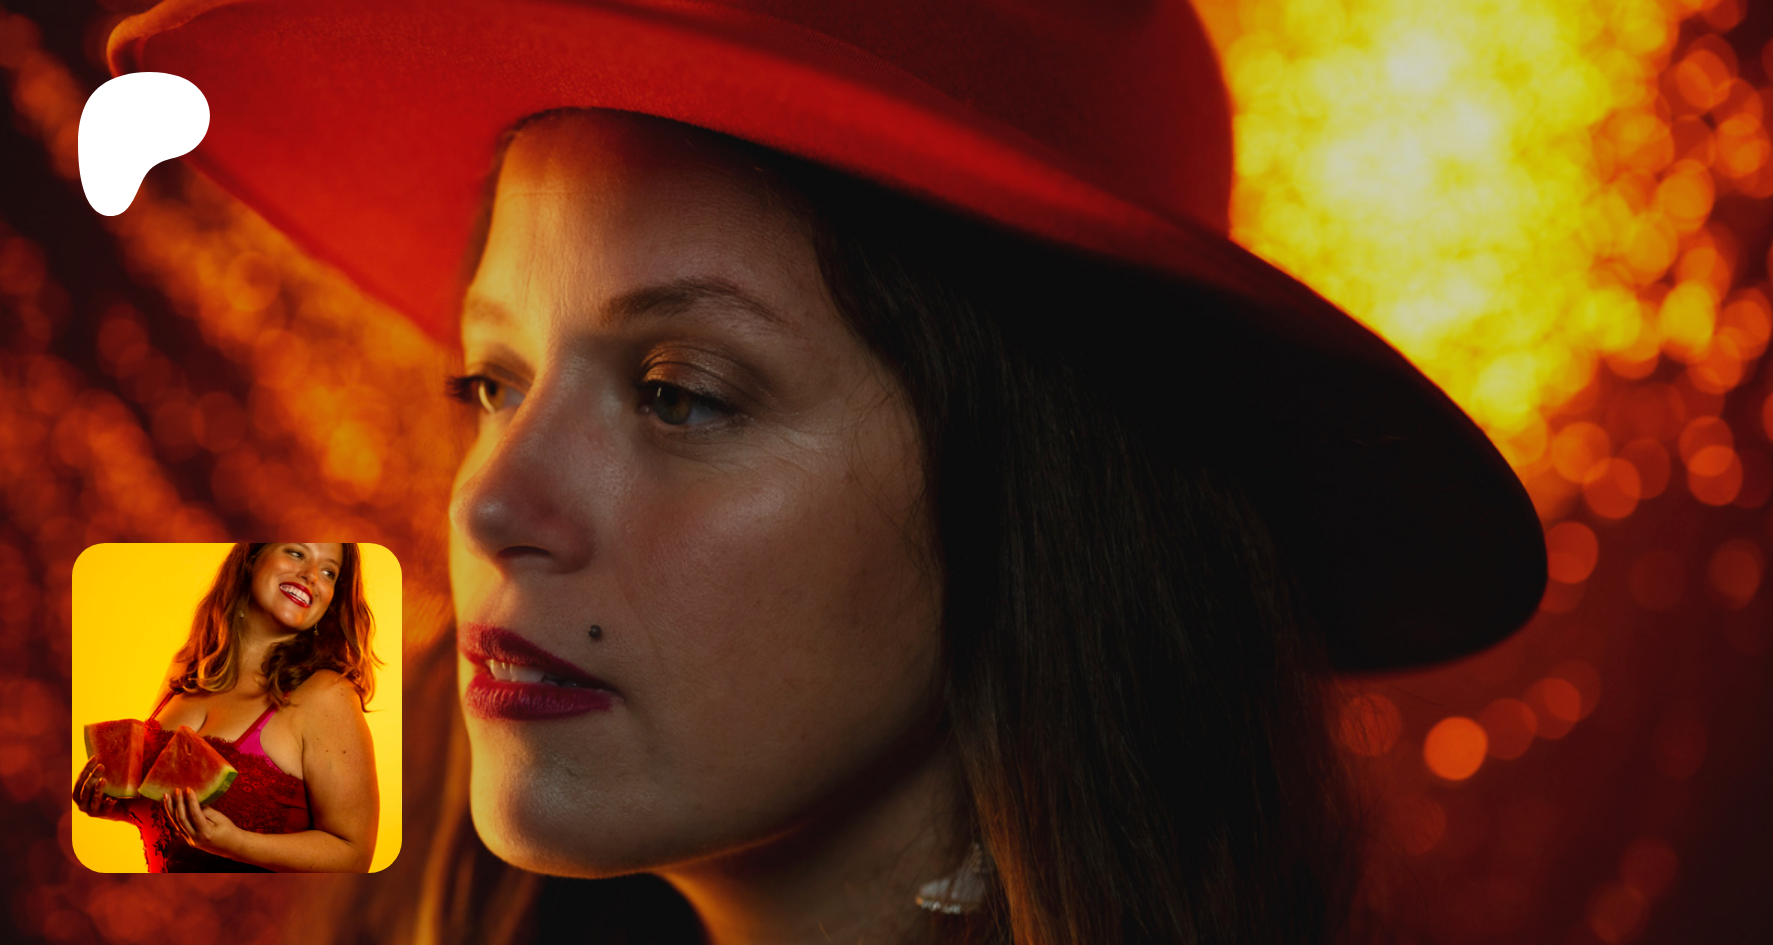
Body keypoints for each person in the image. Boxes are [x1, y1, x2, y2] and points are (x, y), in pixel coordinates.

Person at [107, 0, 1546, 939]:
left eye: (678, 397)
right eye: (494, 382)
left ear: (1040, 515)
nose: (488, 505)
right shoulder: (380, 844)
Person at [70, 542, 381, 873]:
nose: (312, 576)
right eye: (296, 553)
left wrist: (237, 844)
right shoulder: (185, 670)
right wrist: (119, 806)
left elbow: (354, 854)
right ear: (251, 559)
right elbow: (170, 813)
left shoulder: (327, 693)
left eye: (329, 572)